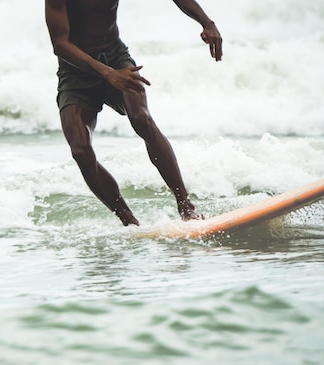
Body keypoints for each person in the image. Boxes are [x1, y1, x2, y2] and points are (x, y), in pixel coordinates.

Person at [44, 0, 223, 226]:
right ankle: (129, 222)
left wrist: (206, 22)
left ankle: (186, 207)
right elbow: (60, 44)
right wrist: (107, 74)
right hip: (75, 71)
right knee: (80, 149)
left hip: (116, 57)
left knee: (141, 119)